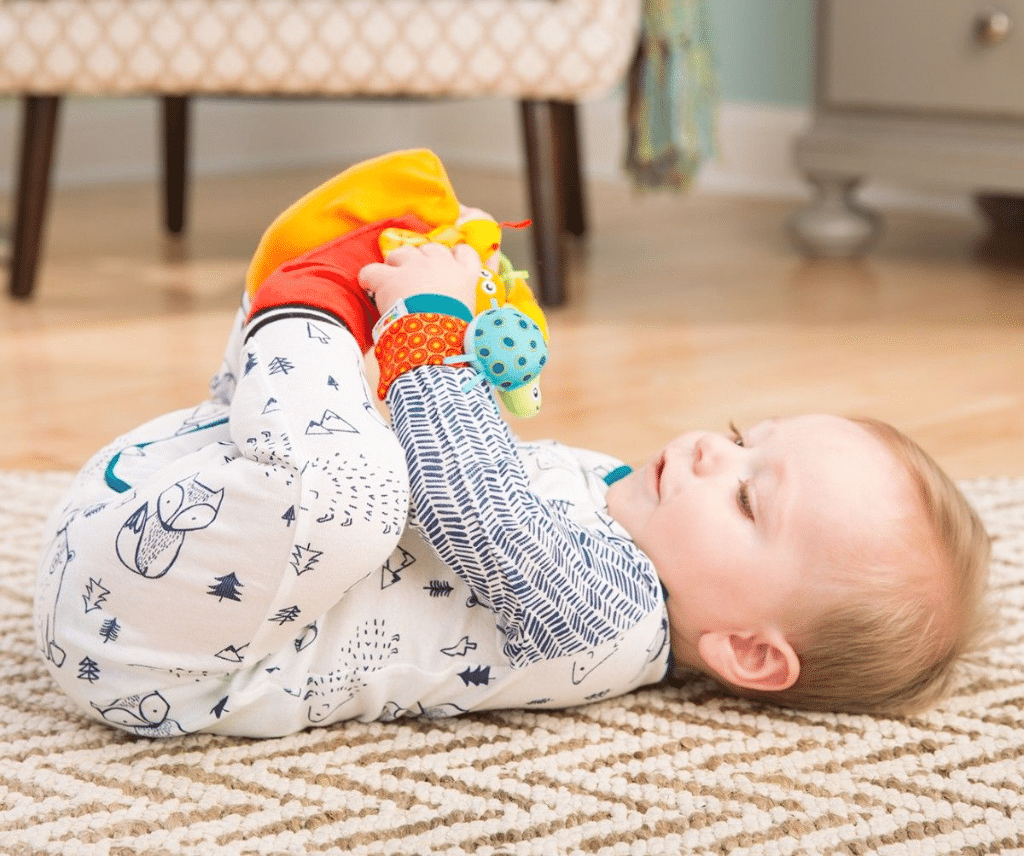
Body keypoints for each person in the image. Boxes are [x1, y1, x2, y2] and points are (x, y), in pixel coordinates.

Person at [34, 153, 992, 738]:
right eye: (745, 441)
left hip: (163, 649)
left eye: (748, 498)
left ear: (747, 650)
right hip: (149, 517)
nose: (711, 452)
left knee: (355, 488)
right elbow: (464, 456)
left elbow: (469, 500)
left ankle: (304, 298)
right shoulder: (631, 514)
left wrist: (430, 329)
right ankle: (310, 317)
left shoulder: (609, 621)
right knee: (362, 448)